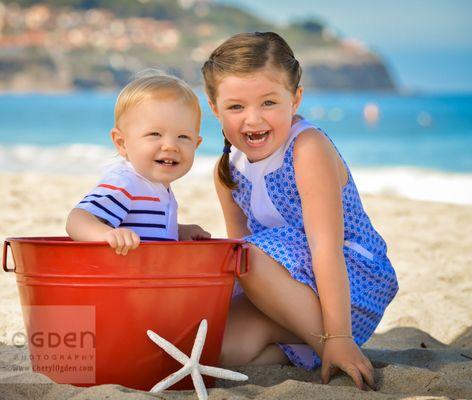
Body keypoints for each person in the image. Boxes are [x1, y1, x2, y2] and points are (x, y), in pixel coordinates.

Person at [201, 32, 398, 390]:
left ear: (296, 98)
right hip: (279, 289)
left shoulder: (307, 147)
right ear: (214, 108)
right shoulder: (227, 169)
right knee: (223, 351)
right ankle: (301, 347)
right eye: (236, 107)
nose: (253, 119)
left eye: (269, 102)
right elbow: (238, 248)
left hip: (346, 288)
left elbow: (326, 247)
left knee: (246, 257)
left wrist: (338, 336)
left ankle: (331, 346)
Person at [66, 73, 210, 254]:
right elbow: (78, 219)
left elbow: (147, 230)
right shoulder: (125, 183)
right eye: (155, 134)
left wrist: (179, 231)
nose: (170, 146)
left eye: (183, 137)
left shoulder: (157, 187)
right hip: (121, 278)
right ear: (121, 143)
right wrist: (107, 235)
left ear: (196, 144)